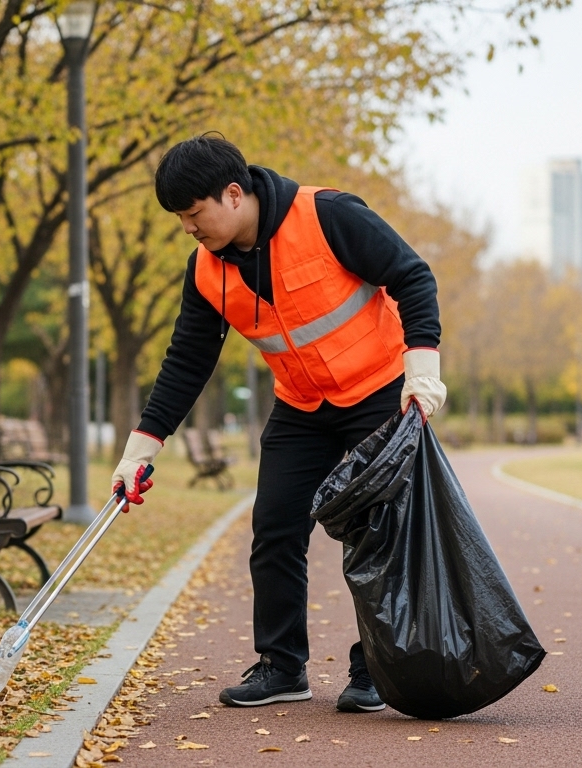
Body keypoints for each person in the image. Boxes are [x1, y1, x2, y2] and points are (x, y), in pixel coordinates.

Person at [110, 134, 445, 713]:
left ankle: (374, 668)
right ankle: (283, 666)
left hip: (379, 390)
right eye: (179, 218)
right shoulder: (205, 271)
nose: (188, 227)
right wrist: (140, 450)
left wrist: (422, 371)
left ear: (232, 194)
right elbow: (187, 361)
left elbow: (413, 276)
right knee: (274, 528)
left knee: (381, 533)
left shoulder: (328, 215)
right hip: (302, 404)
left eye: (193, 213)